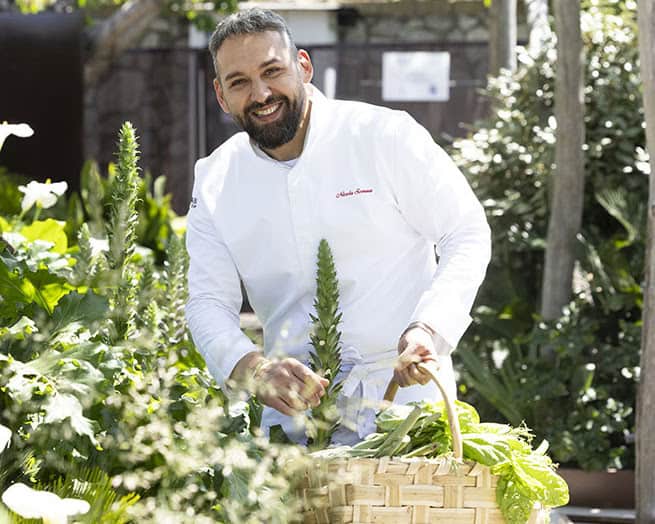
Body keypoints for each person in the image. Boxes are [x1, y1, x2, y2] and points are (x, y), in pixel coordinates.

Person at [185, 8, 491, 444]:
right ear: (220, 95)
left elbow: (465, 231)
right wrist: (253, 369)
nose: (261, 93)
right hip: (294, 416)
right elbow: (207, 301)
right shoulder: (216, 178)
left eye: (273, 71)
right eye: (239, 82)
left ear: (303, 66)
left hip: (405, 406)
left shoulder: (383, 135)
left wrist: (430, 327)